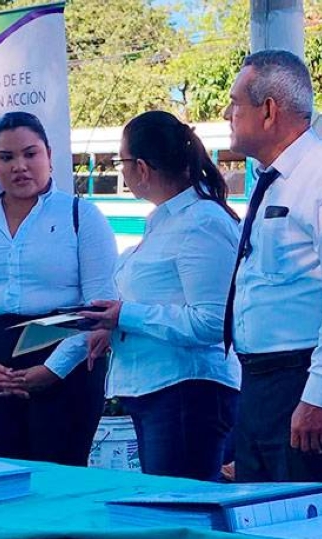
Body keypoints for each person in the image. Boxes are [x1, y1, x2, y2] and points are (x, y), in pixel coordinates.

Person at [222, 50, 322, 497]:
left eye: (236, 104)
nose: (229, 114)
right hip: (258, 384)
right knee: (259, 525)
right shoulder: (271, 179)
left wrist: (320, 394)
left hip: (307, 381)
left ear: (268, 110)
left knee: (314, 536)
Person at [0, 111, 117, 466]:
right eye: (6, 157)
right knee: (5, 479)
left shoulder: (81, 216)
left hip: (66, 359)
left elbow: (101, 307)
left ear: (49, 155)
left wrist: (53, 369)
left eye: (30, 154)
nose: (19, 166)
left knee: (60, 481)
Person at [81, 110, 240, 481]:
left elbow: (213, 322)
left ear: (141, 167)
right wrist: (111, 326)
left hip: (187, 392)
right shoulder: (165, 221)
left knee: (181, 512)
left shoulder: (202, 222)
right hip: (155, 391)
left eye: (120, 163)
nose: (120, 172)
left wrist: (126, 316)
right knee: (163, 507)